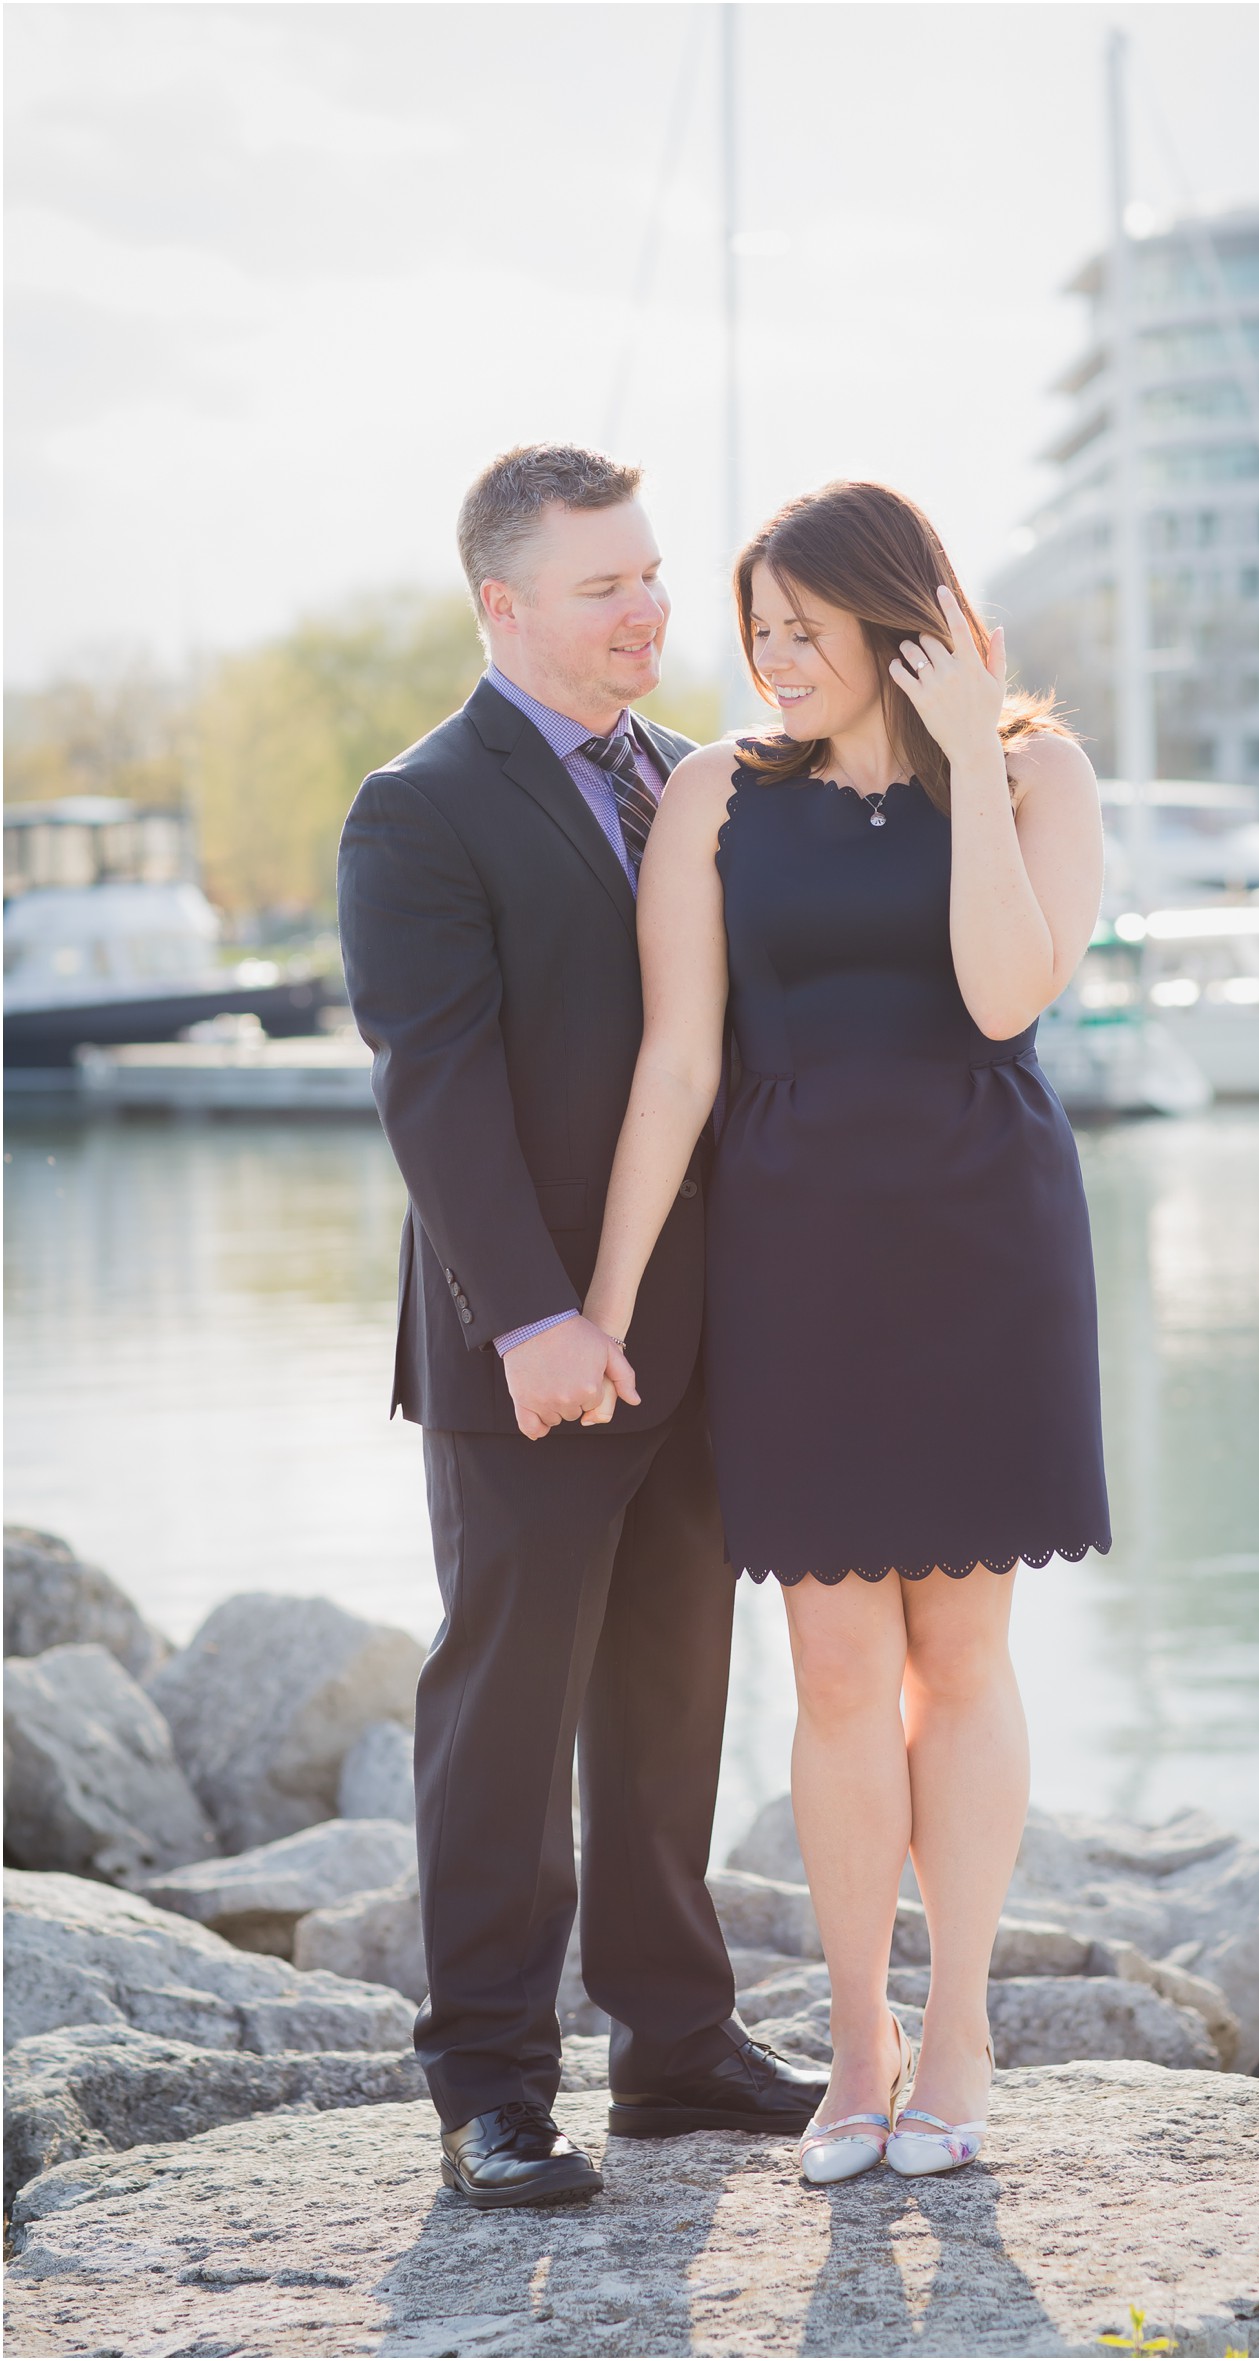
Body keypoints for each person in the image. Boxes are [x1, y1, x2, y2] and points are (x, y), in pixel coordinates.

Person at [579, 478, 1111, 2184]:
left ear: (904, 616)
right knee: (830, 1673)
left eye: (805, 627)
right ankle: (859, 2044)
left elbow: (1005, 995)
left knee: (962, 1658)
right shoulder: (715, 794)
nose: (770, 657)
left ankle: (958, 2035)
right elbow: (678, 1060)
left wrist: (964, 760)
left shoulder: (1036, 776)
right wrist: (603, 1297)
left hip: (985, 1246)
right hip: (795, 1258)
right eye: (757, 632)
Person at [337, 443, 825, 2212]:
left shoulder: (702, 776)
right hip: (526, 1347)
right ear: (504, 604)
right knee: (505, 1702)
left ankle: (676, 2046)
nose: (649, 608)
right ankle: (486, 2080)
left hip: (699, 1335)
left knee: (669, 1694)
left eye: (651, 573)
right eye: (604, 582)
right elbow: (436, 1089)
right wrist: (534, 1313)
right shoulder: (421, 805)